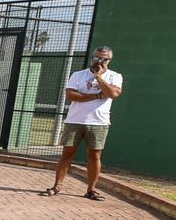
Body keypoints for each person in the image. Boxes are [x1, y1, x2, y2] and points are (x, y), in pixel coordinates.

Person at [42, 46, 122, 200]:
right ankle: (57, 186)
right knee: (67, 153)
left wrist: (99, 77)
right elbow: (71, 95)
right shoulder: (78, 75)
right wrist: (96, 96)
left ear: (109, 61)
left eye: (103, 59)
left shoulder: (115, 76)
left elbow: (112, 94)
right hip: (75, 120)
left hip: (99, 122)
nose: (98, 61)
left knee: (95, 155)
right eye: (96, 57)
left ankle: (91, 190)